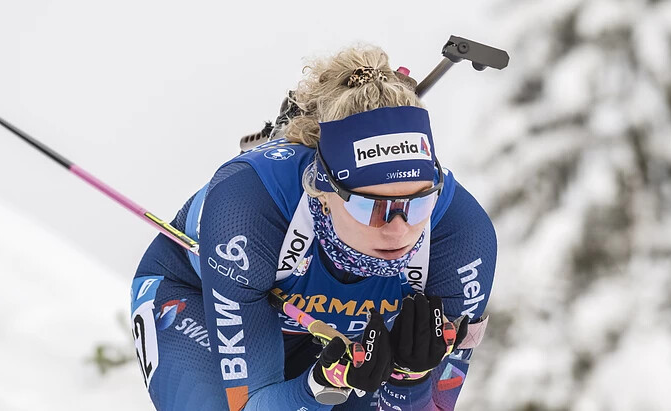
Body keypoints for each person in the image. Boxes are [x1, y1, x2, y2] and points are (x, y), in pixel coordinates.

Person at [130, 46, 497, 410]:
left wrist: (409, 382)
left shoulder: (461, 236)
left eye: (418, 203)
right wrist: (320, 386)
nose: (399, 230)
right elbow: (251, 405)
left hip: (329, 333)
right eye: (371, 206)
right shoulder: (249, 207)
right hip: (197, 301)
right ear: (323, 190)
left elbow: (436, 405)